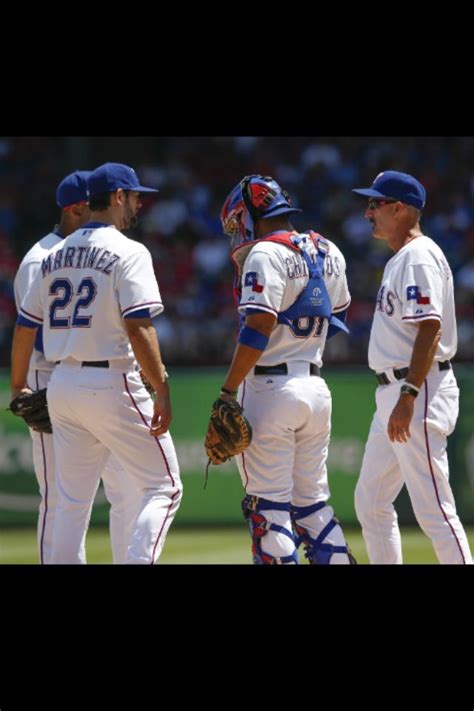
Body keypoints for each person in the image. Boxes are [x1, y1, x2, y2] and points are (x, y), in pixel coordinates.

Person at [12, 162, 182, 564]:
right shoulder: (130, 250)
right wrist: (161, 386)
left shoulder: (56, 254)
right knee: (164, 486)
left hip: (63, 385)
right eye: (136, 196)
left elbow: (23, 327)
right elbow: (139, 326)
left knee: (71, 503)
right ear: (118, 196)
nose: (139, 204)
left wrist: (17, 385)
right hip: (111, 380)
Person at [215, 174, 355, 564]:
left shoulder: (264, 253)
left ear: (250, 213)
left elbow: (258, 328)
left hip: (270, 386)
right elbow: (338, 315)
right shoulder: (330, 249)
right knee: (313, 506)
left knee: (270, 509)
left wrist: (227, 390)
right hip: (314, 384)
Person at [352, 170, 472, 564]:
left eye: (375, 203)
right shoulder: (402, 257)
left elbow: (430, 330)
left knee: (434, 509)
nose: (368, 212)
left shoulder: (418, 256)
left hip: (415, 389)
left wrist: (409, 393)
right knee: (370, 501)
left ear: (399, 208)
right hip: (397, 391)